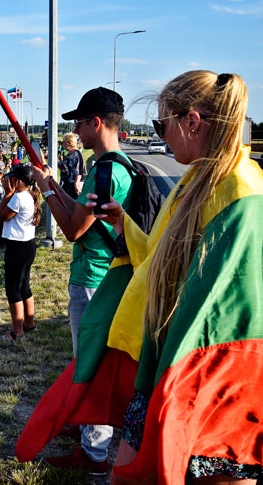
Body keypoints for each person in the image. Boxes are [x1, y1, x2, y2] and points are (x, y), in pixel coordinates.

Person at [89, 72, 263, 485]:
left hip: (218, 373)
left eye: (160, 125)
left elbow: (236, 294)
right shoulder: (197, 177)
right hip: (174, 353)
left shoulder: (239, 187)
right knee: (134, 469)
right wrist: (124, 226)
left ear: (192, 121)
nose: (160, 135)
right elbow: (163, 258)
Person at [30, 86, 135, 475]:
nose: (75, 128)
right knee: (89, 360)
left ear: (96, 123)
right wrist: (55, 185)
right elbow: (81, 213)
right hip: (104, 276)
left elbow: (74, 229)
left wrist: (45, 190)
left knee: (91, 364)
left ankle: (93, 456)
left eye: (79, 121)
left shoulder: (106, 170)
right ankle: (91, 430)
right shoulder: (114, 166)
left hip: (94, 278)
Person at [0, 164, 41, 341]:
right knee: (24, 286)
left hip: (17, 247)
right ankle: (29, 323)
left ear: (19, 181)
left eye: (11, 177)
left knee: (13, 288)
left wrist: (7, 194)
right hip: (28, 245)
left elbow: (0, 217)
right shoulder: (29, 195)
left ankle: (17, 332)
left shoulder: (18, 198)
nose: (8, 180)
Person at [59, 133, 86, 198]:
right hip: (67, 184)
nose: (63, 144)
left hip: (72, 185)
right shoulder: (70, 154)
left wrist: (76, 184)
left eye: (64, 142)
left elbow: (79, 170)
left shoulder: (76, 154)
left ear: (69, 143)